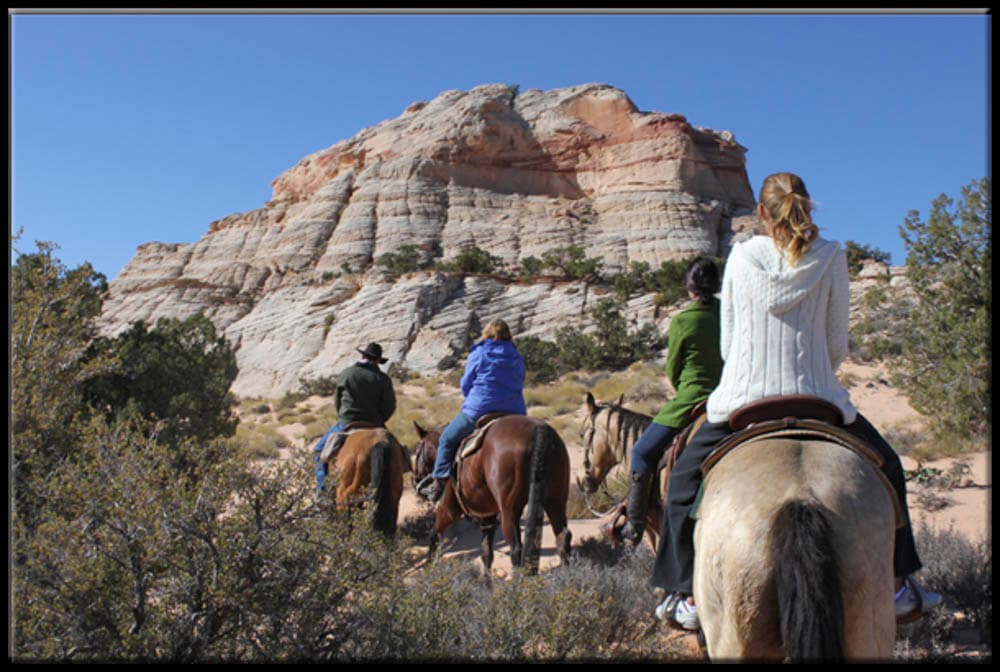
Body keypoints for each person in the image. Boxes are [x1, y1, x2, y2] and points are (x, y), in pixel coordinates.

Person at [650, 172, 941, 631]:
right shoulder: (832, 256)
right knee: (888, 468)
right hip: (819, 397)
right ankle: (900, 584)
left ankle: (682, 592)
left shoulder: (741, 257)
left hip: (745, 399)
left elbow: (728, 346)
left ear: (762, 213)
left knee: (682, 481)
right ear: (807, 208)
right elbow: (836, 345)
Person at [608, 257, 723, 546]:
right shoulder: (727, 314)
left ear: (689, 288)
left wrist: (684, 387)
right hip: (729, 396)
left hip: (692, 399)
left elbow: (673, 367)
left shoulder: (684, 320)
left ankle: (634, 526)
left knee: (642, 451)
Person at [417, 319, 527, 502]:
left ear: (487, 333)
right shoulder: (516, 355)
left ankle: (439, 483)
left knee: (447, 438)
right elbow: (521, 379)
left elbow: (466, 383)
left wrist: (472, 396)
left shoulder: (480, 352)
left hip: (480, 409)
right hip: (514, 411)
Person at [313, 342, 397, 496]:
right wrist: (379, 420)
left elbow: (337, 401)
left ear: (363, 355)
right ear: (378, 360)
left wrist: (344, 416)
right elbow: (390, 406)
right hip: (375, 424)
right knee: (397, 452)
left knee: (318, 451)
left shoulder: (347, 373)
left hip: (348, 421)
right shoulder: (383, 378)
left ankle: (322, 494)